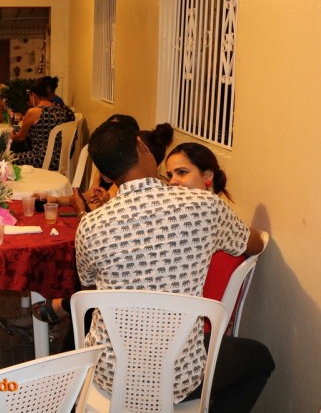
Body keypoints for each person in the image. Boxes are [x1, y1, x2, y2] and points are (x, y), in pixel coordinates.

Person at [36, 121, 273, 411]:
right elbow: (254, 244)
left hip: (110, 375)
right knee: (260, 359)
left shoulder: (90, 225)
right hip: (179, 377)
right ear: (143, 147)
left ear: (107, 176)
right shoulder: (205, 206)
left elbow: (89, 287)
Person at [166, 142, 246, 310]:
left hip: (190, 313)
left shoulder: (215, 215)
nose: (172, 181)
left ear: (207, 176)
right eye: (170, 175)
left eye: (182, 172)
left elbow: (254, 243)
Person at [10, 78, 75, 170]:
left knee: (9, 158)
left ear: (33, 95)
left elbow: (20, 138)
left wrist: (12, 135)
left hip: (40, 159)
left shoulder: (33, 112)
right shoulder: (61, 110)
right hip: (59, 159)